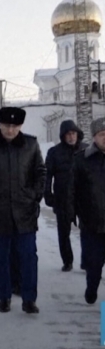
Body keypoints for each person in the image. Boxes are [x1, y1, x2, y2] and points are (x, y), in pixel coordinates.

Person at [0, 107, 46, 314]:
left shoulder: (30, 144)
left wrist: (34, 195)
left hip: (25, 212)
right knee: (1, 258)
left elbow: (40, 172)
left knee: (28, 257)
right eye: (6, 125)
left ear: (20, 126)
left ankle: (29, 299)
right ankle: (4, 297)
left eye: (15, 126)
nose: (10, 130)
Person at [69, 117, 105, 305]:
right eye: (102, 134)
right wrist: (73, 212)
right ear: (94, 137)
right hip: (92, 223)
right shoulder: (82, 160)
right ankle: (91, 289)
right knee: (94, 264)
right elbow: (72, 190)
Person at [44, 120, 88, 272]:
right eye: (68, 134)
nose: (71, 137)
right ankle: (67, 261)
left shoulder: (86, 150)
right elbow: (47, 175)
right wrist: (48, 194)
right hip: (62, 197)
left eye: (73, 133)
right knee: (64, 232)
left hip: (84, 198)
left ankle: (86, 261)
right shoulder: (54, 152)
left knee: (87, 232)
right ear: (63, 136)